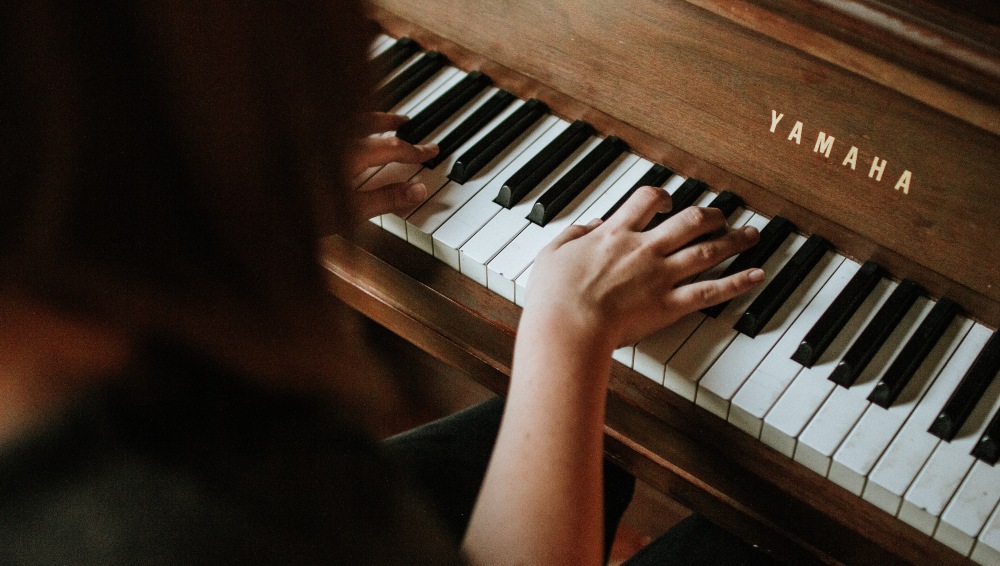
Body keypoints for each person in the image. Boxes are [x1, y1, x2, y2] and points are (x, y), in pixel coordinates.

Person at [0, 1, 775, 564]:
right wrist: (567, 332)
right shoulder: (170, 524)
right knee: (772, 537)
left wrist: (230, 217)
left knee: (624, 444)